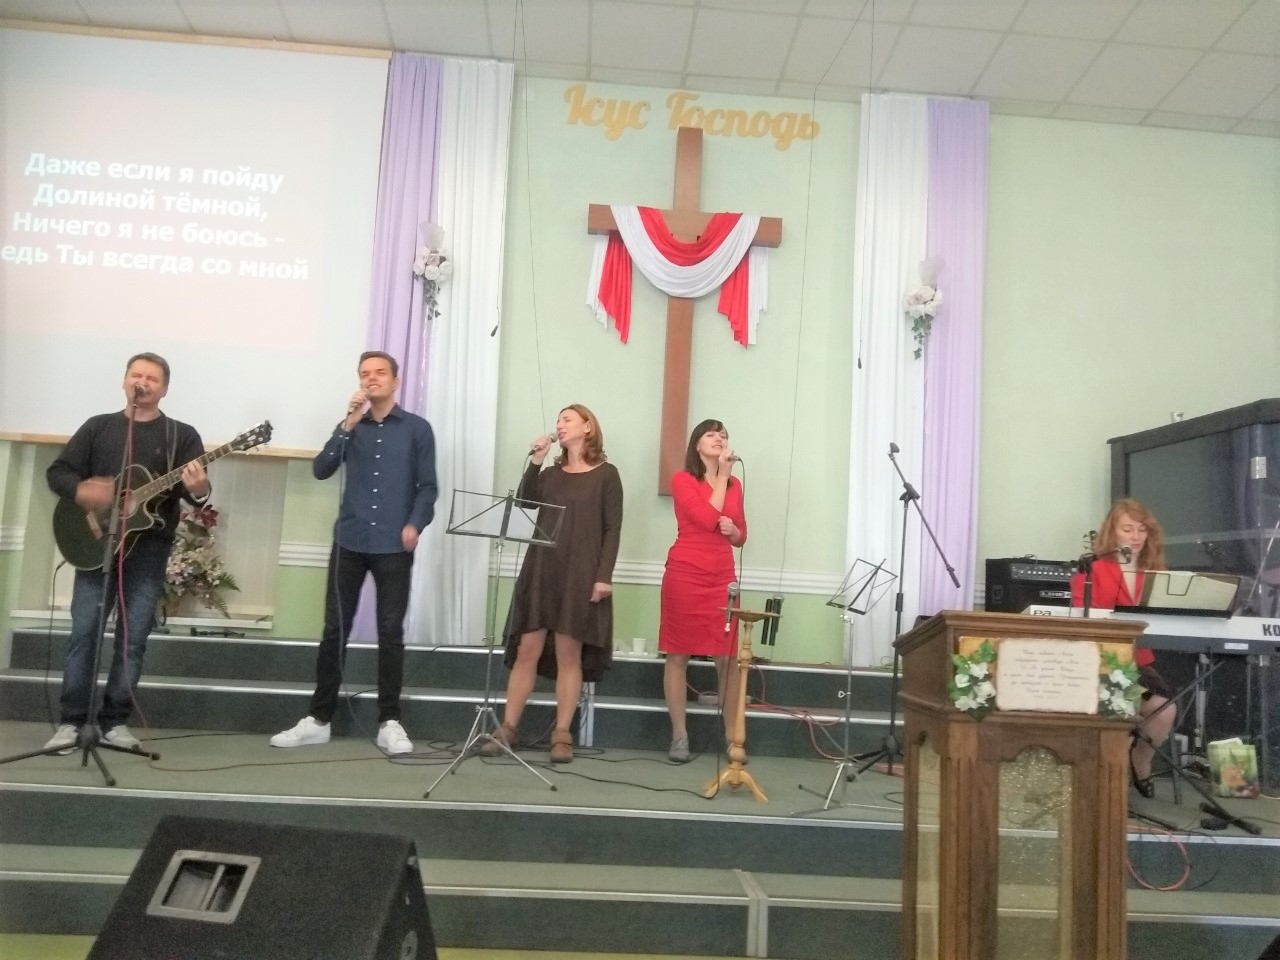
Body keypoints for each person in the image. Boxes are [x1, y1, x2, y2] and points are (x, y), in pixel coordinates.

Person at [270, 352, 437, 756]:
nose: (371, 379)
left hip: (394, 544)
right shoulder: (351, 427)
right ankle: (319, 719)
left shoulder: (417, 429)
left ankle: (389, 721)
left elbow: (428, 487)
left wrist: (415, 524)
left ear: (396, 381)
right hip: (350, 540)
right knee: (335, 630)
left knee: (390, 631)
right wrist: (347, 424)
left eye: (380, 373)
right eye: (365, 374)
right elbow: (321, 469)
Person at [44, 353, 210, 754]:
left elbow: (196, 494)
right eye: (137, 374)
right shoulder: (98, 427)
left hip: (149, 550)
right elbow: (58, 472)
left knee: (133, 638)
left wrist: (200, 488)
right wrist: (82, 490)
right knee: (84, 634)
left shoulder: (181, 435)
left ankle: (114, 722)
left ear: (164, 389)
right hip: (96, 546)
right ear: (124, 381)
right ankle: (71, 722)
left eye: (152, 378)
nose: (143, 382)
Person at [484, 404, 623, 764]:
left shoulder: (607, 475)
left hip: (581, 572)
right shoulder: (550, 473)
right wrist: (536, 461)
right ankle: (508, 727)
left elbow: (612, 528)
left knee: (568, 654)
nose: (560, 425)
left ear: (588, 427)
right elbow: (525, 501)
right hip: (542, 569)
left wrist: (603, 576)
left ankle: (562, 733)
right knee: (527, 650)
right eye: (558, 420)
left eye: (567, 419)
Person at [1070, 498, 1176, 797]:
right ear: (1112, 532)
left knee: (1164, 710)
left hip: (1137, 663)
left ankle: (1140, 760)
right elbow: (1081, 622)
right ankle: (1110, 776)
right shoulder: (1091, 570)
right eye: (1127, 529)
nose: (1135, 536)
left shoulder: (1155, 571)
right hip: (1099, 662)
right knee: (1121, 705)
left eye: (1142, 529)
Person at [658, 420, 747, 763]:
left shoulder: (736, 484)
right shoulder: (683, 479)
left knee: (727, 656)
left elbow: (741, 535)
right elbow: (706, 517)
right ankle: (679, 735)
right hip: (686, 573)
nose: (719, 438)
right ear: (697, 444)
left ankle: (733, 737)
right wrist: (722, 476)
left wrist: (734, 530)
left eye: (723, 434)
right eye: (711, 434)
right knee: (678, 653)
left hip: (722, 575)